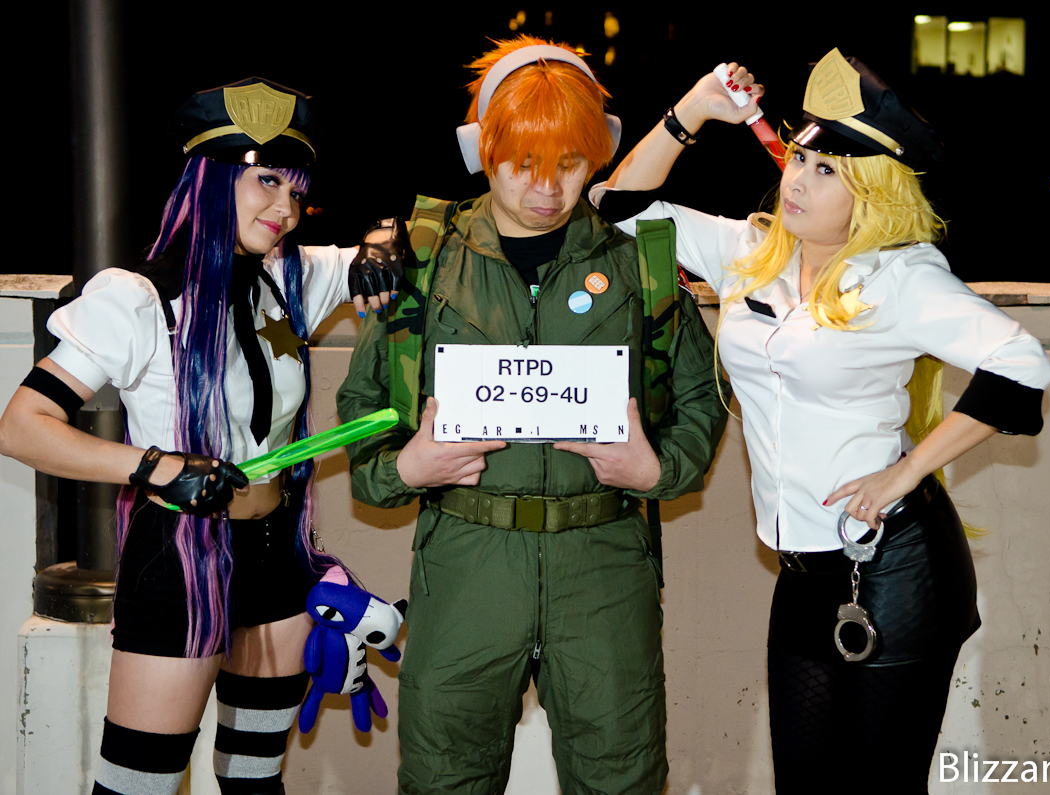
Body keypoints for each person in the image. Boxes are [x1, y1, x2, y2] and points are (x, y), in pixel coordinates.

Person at [593, 51, 1050, 791]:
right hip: (803, 574)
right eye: (799, 159)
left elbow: (1022, 366)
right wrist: (694, 110)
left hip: (895, 568)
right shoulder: (752, 252)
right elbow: (618, 209)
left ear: (871, 194)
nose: (797, 180)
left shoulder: (902, 278)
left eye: (826, 170)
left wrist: (906, 472)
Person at [335, 36, 727, 794]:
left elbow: (701, 394)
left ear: (596, 156)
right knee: (445, 776)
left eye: (570, 164)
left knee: (621, 776)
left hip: (604, 566)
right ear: (485, 152)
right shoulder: (425, 263)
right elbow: (363, 410)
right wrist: (403, 468)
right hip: (466, 566)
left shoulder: (640, 263)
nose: (548, 188)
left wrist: (658, 470)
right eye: (524, 164)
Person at [0, 78, 393, 795]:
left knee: (254, 781)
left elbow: (425, 233)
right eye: (266, 180)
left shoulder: (293, 277)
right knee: (138, 786)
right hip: (180, 558)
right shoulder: (138, 298)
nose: (285, 209)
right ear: (211, 179)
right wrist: (155, 466)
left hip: (278, 554)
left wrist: (382, 240)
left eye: (297, 192)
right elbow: (22, 426)